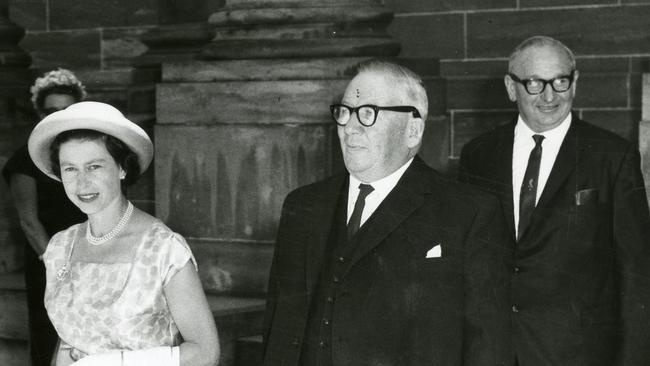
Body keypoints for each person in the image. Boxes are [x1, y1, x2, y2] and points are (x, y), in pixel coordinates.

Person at [263, 60, 511, 366]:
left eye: (368, 113)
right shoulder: (303, 206)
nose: (350, 127)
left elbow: (488, 347)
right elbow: (279, 331)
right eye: (344, 112)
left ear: (413, 130)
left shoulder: (468, 213)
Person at [459, 35, 650, 366]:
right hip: (492, 351)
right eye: (533, 83)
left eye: (560, 81)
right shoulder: (479, 155)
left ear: (575, 83)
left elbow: (637, 277)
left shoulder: (611, 156)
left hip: (576, 354)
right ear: (510, 87)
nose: (549, 96)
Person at [27, 101, 220, 366]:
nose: (82, 182)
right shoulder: (60, 246)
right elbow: (67, 343)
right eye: (70, 168)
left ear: (121, 168)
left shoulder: (163, 249)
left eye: (94, 166)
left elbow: (205, 353)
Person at [1, 68, 86, 366]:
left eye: (67, 110)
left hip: (90, 253)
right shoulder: (25, 159)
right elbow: (29, 221)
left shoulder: (86, 154)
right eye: (51, 111)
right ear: (40, 114)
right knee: (51, 337)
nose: (59, 116)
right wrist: (60, 266)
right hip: (49, 259)